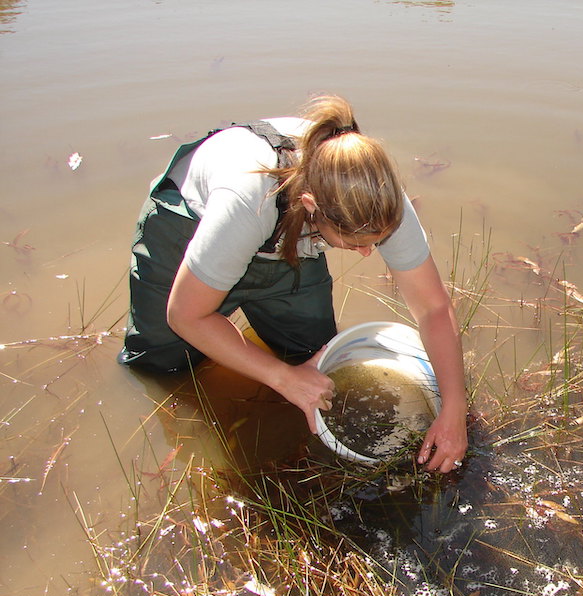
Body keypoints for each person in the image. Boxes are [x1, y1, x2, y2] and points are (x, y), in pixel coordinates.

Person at [118, 95, 467, 473]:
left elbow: (433, 307)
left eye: (374, 243)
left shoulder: (376, 198)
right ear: (311, 206)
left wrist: (454, 407)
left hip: (286, 242)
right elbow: (185, 315)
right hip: (188, 228)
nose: (366, 254)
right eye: (353, 244)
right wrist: (282, 378)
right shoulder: (246, 201)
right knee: (166, 365)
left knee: (312, 359)